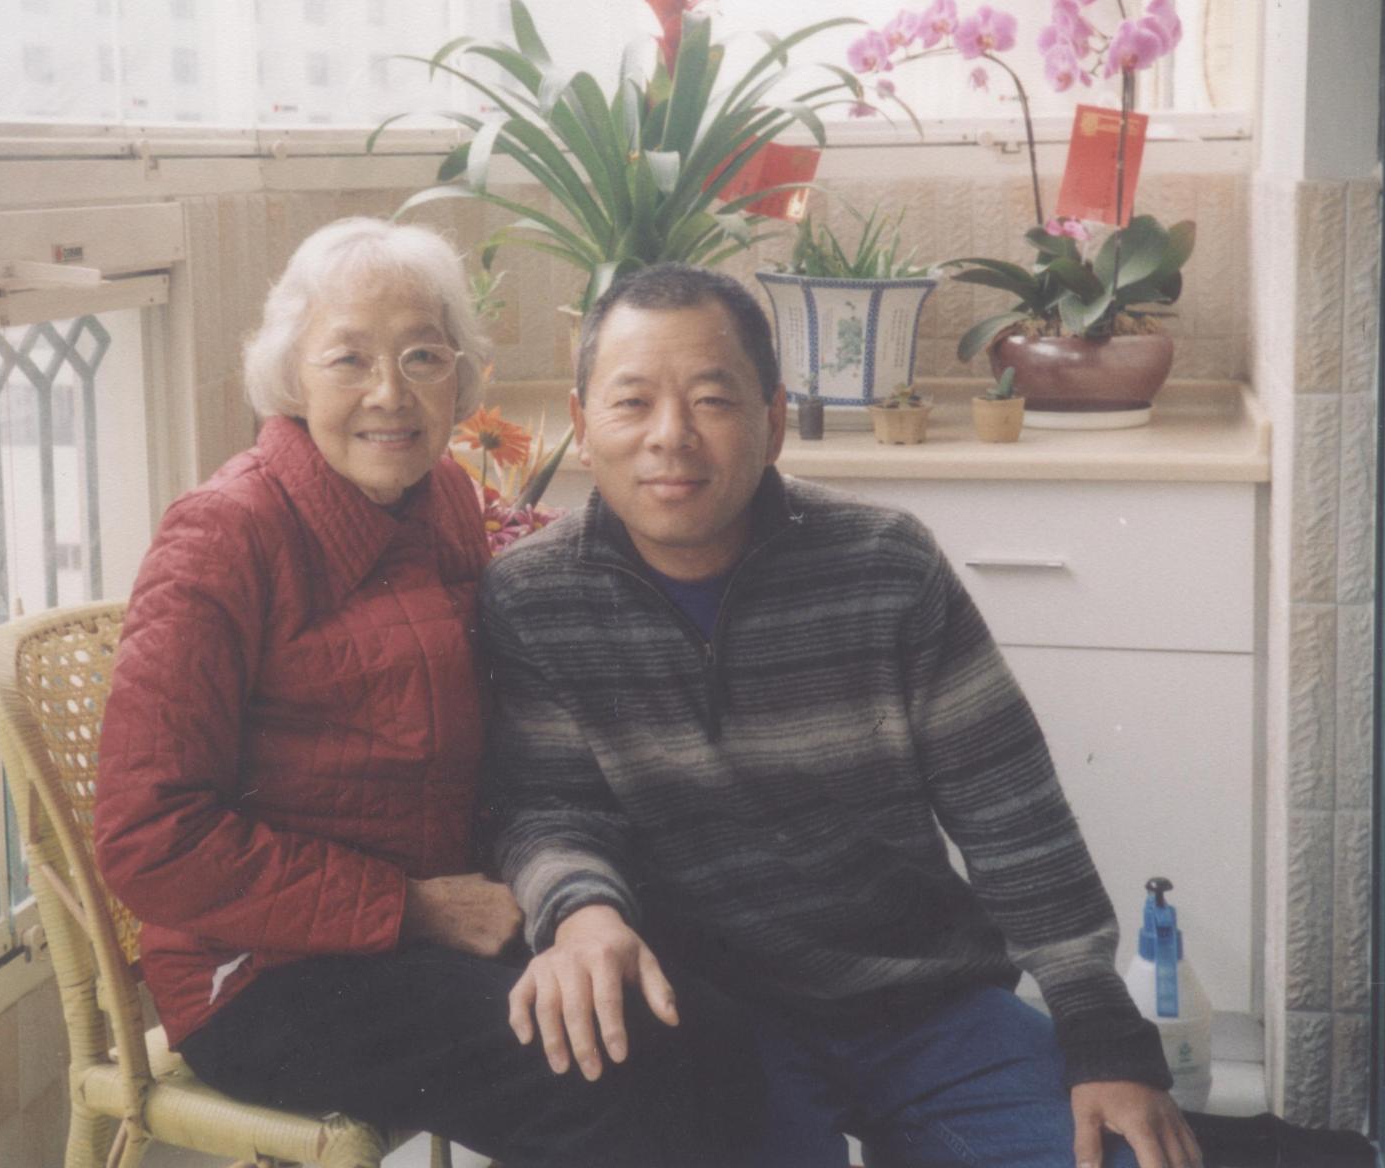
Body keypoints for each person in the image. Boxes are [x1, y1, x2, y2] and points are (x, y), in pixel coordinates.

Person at [483, 263, 1205, 1168]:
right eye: (632, 403)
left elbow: (1012, 814)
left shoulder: (885, 564)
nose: (671, 436)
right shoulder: (534, 598)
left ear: (774, 421)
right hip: (711, 1020)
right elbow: (549, 812)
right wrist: (583, 913)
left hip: (923, 1001)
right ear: (583, 426)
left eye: (712, 400)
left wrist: (1105, 1041)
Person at [94, 220, 756, 1167]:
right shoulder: (222, 536)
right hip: (266, 977)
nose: (389, 394)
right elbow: (148, 837)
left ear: (460, 374)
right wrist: (413, 909)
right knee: (607, 1069)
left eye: (421, 356)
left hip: (443, 922)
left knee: (703, 1008)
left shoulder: (439, 495)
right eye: (348, 359)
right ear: (292, 377)